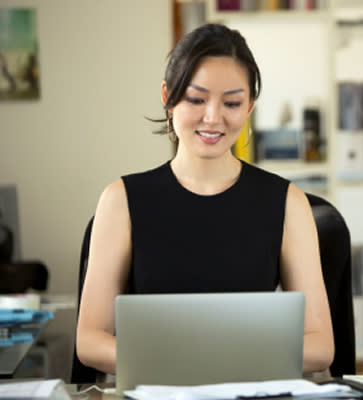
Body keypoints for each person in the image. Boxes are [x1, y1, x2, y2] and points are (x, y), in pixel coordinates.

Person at [76, 23, 334, 376]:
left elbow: (321, 345)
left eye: (231, 103)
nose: (213, 117)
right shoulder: (121, 200)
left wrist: (221, 360)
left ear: (249, 107)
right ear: (167, 96)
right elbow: (90, 340)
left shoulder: (288, 202)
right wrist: (181, 363)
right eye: (196, 99)